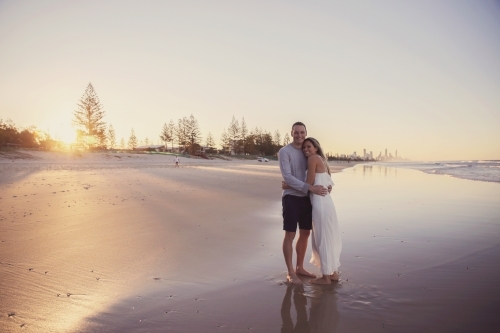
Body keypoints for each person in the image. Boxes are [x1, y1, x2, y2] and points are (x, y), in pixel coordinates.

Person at [278, 122, 329, 285]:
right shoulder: (284, 152)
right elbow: (287, 176)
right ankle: (290, 272)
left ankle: (300, 267)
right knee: (290, 234)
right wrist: (308, 187)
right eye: (296, 132)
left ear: (306, 133)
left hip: (307, 198)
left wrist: (325, 185)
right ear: (291, 133)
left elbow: (319, 172)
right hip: (291, 197)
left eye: (302, 132)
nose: (299, 135)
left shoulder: (308, 150)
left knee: (305, 233)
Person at [302, 137, 342, 284]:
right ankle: (334, 273)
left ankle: (326, 277)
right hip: (327, 203)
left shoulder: (313, 158)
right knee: (329, 237)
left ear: (316, 148)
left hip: (319, 203)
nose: (306, 150)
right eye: (304, 148)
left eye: (309, 147)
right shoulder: (322, 160)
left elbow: (309, 183)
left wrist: (289, 185)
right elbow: (329, 184)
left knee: (322, 238)